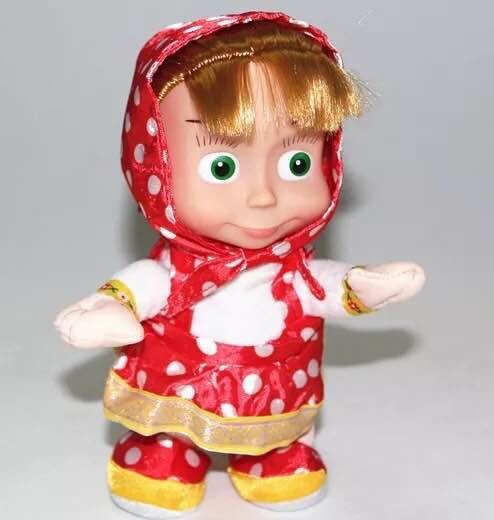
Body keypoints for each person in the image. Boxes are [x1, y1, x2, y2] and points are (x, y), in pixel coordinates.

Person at [55, 11, 425, 518]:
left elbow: (321, 286)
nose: (263, 196)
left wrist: (362, 286)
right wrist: (110, 309)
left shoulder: (292, 266)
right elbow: (143, 286)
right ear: (156, 164)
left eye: (296, 163)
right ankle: (166, 452)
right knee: (170, 426)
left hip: (274, 386)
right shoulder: (176, 271)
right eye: (222, 166)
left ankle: (271, 456)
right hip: (181, 383)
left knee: (275, 428)